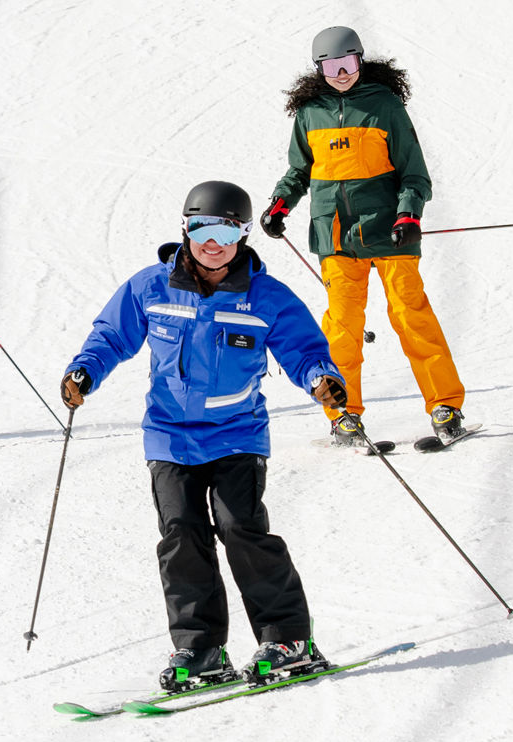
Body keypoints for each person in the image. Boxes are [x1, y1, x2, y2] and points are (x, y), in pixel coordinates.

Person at [61, 181, 349, 690]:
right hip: (170, 436)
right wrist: (84, 371)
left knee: (241, 527)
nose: (211, 242)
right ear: (185, 230)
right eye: (200, 228)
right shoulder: (150, 286)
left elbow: (304, 350)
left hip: (237, 434)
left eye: (224, 230)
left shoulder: (266, 297)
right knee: (181, 536)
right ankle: (200, 649)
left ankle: (288, 638)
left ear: (242, 234)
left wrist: (321, 380)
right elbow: (111, 336)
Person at [260, 26, 472, 447]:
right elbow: (300, 171)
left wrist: (409, 214)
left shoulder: (384, 105)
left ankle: (445, 404)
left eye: (348, 64)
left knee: (412, 317)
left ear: (361, 61)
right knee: (342, 327)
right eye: (331, 67)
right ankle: (343, 414)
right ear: (318, 68)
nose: (340, 74)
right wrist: (280, 204)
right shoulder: (310, 113)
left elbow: (414, 172)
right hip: (335, 236)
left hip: (391, 232)